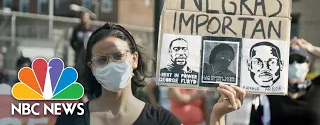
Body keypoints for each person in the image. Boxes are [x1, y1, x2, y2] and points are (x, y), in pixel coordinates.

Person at [55, 22, 246, 125]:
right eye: (101, 60)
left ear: (134, 59)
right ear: (91, 67)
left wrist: (218, 116)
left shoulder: (162, 120)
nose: (111, 64)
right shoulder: (70, 119)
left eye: (118, 56)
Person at [250, 38, 320, 125]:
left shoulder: (317, 87)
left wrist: (312, 49)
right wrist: (279, 50)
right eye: (290, 61)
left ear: (308, 66)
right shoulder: (269, 92)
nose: (295, 64)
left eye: (300, 60)